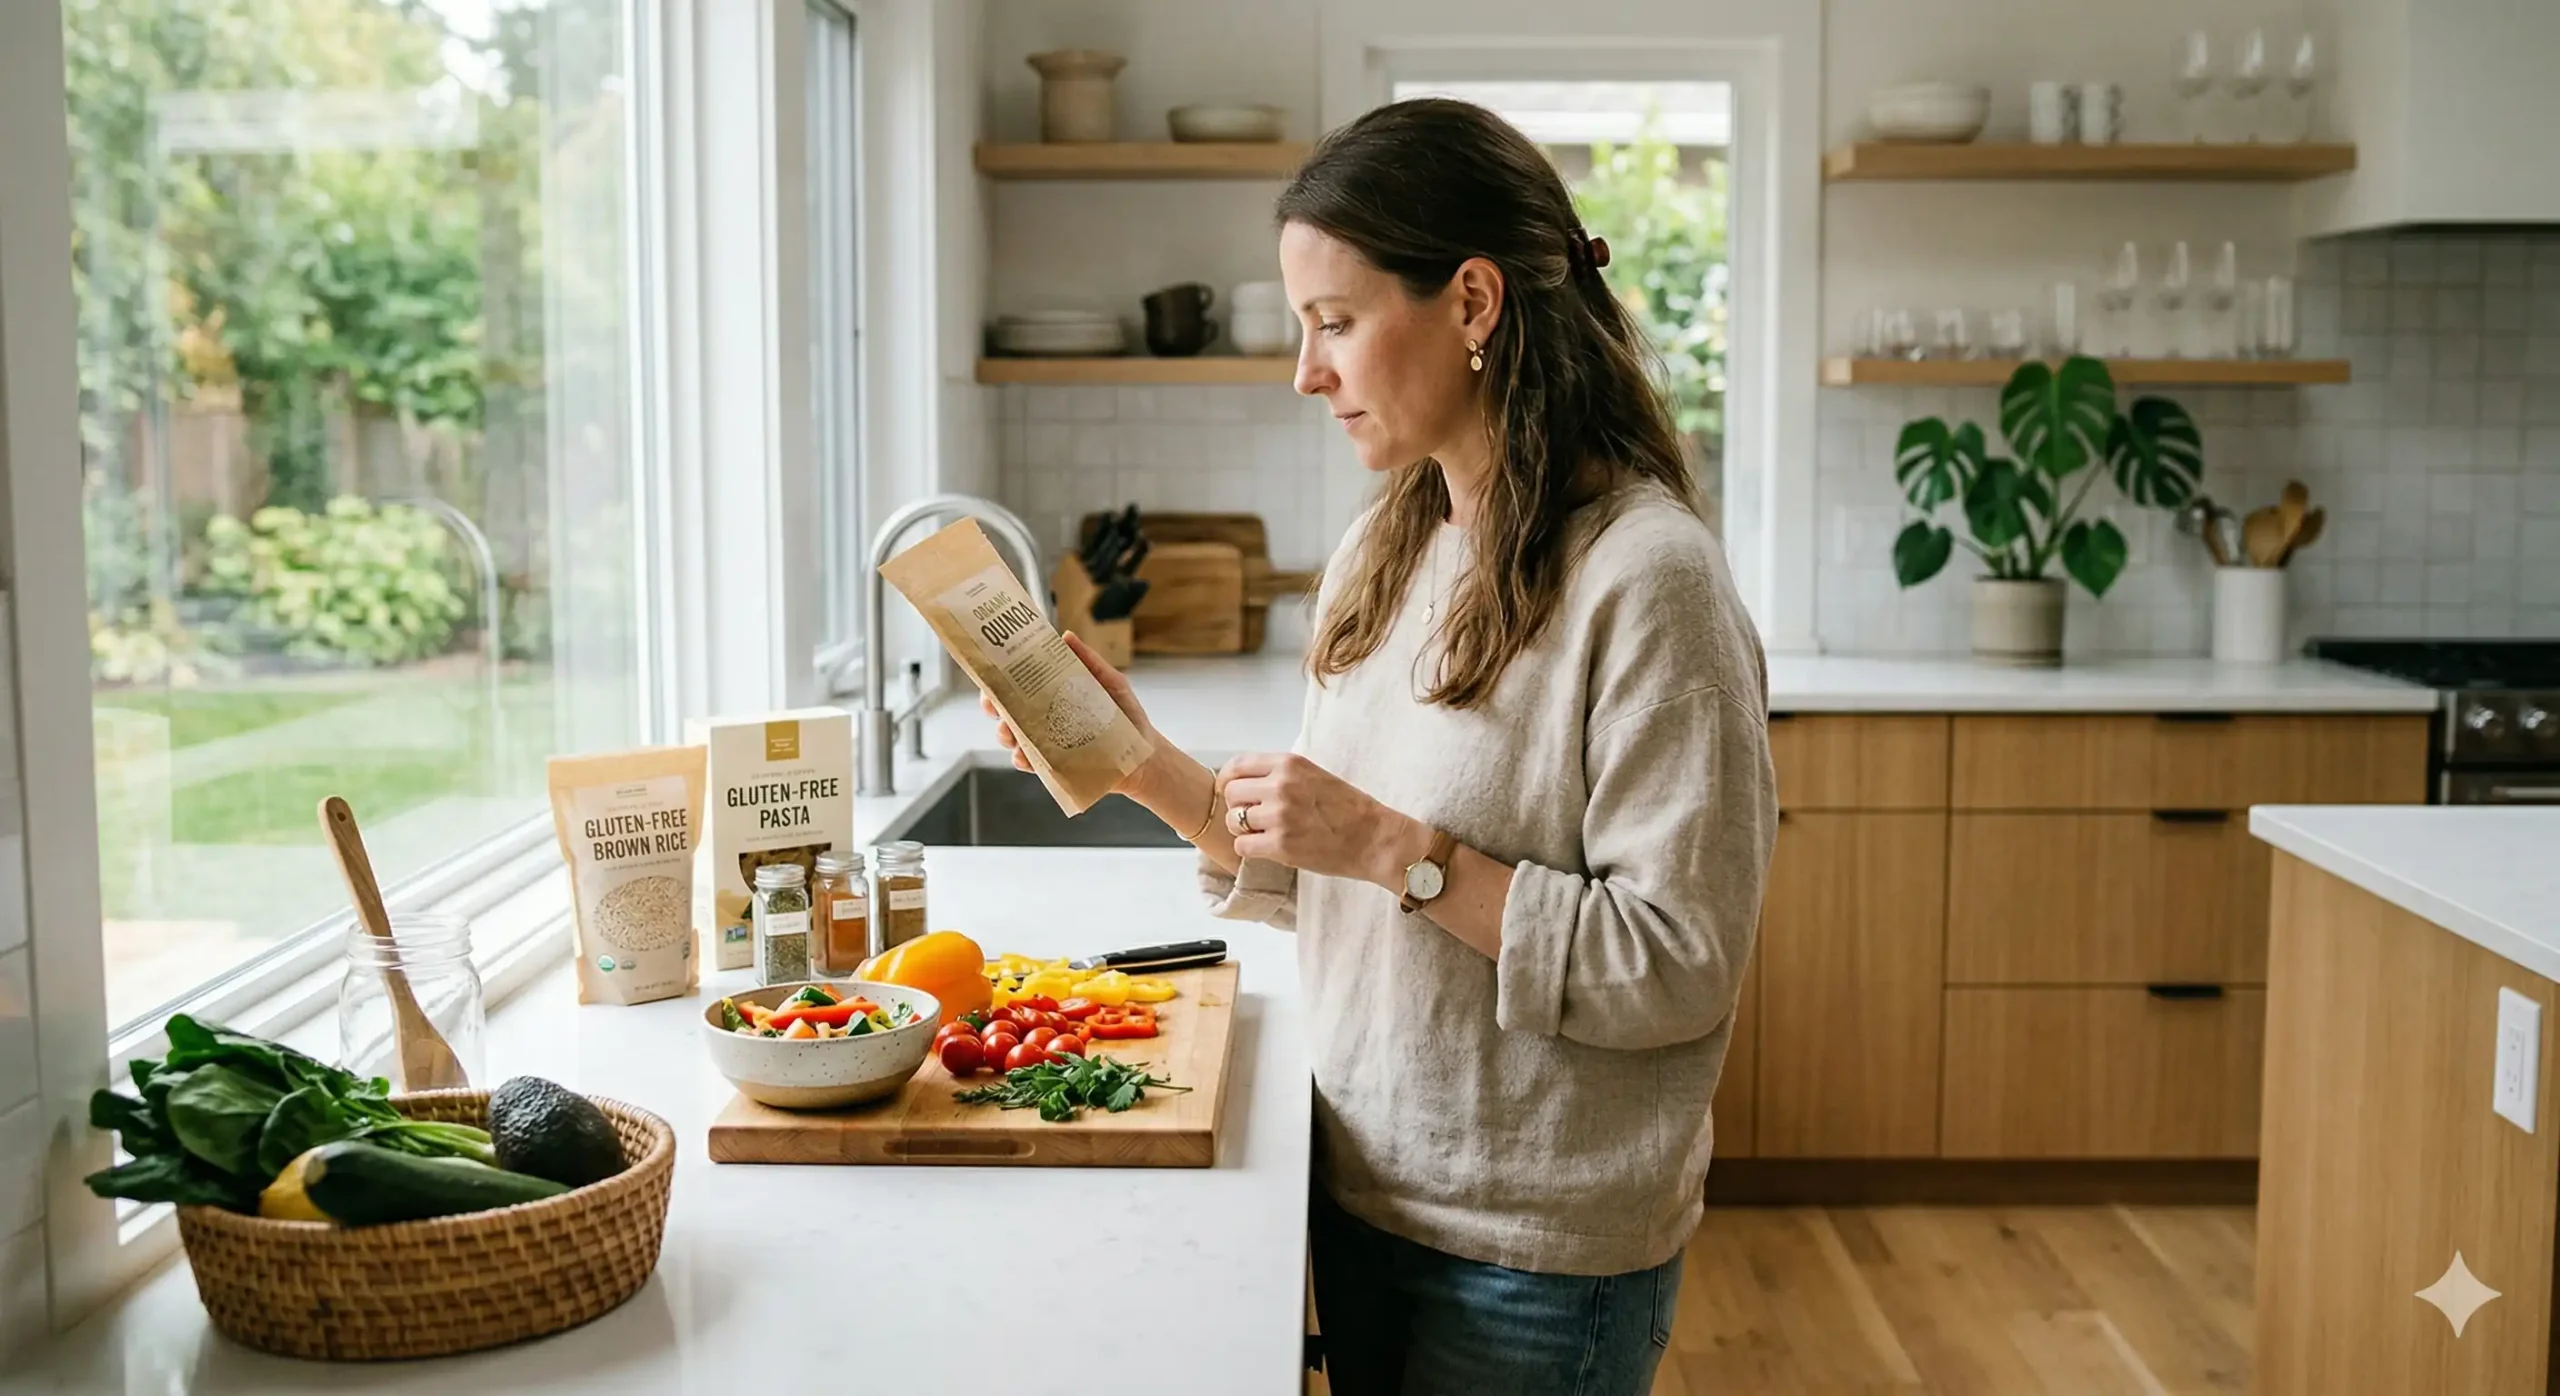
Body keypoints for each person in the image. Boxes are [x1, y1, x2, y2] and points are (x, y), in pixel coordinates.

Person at [981, 97, 1775, 1396]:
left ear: (1473, 304)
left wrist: (1401, 852)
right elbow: (1329, 872)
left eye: (1336, 324)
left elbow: (1679, 966)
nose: (1308, 373)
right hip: (1358, 1184)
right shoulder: (1384, 552)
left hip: (1536, 1255)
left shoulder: (1650, 580)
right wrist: (1138, 761)